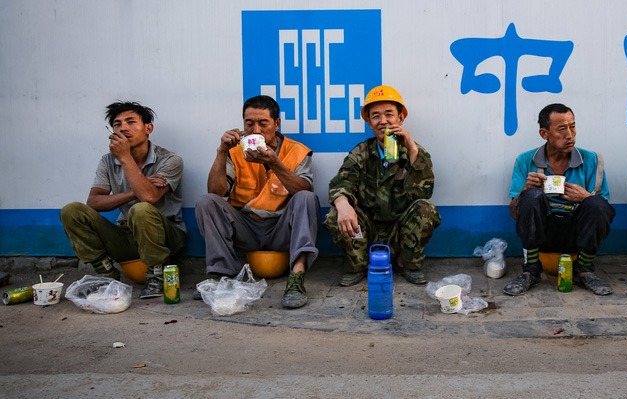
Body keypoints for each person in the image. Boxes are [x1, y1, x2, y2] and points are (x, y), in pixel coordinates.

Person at [195, 95, 320, 309]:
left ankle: (297, 278)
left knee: (307, 197)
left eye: (263, 123)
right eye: (249, 123)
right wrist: (222, 151)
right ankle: (222, 276)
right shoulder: (235, 151)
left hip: (281, 230)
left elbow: (303, 189)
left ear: (277, 123)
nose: (256, 130)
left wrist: (275, 163)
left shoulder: (297, 151)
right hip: (246, 228)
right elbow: (216, 192)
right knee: (207, 202)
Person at [60, 101, 186, 300]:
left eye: (130, 122)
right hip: (127, 236)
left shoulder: (169, 160)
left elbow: (149, 197)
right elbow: (93, 203)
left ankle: (156, 275)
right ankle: (106, 273)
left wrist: (125, 157)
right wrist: (133, 192)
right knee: (72, 211)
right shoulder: (108, 160)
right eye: (117, 124)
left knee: (141, 209)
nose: (123, 128)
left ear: (148, 128)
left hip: (167, 235)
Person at [325, 85, 441, 287]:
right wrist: (342, 204)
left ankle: (407, 264)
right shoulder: (361, 152)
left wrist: (412, 148)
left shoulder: (414, 151)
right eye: (376, 116)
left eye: (389, 114)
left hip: (400, 232)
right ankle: (359, 265)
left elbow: (424, 192)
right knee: (336, 212)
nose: (383, 121)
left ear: (401, 118)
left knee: (426, 209)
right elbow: (341, 182)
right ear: (369, 122)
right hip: (366, 232)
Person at [504, 103, 616, 296]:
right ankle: (531, 270)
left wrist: (585, 197)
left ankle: (584, 269)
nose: (570, 135)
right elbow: (515, 213)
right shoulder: (525, 161)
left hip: (577, 234)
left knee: (597, 203)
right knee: (530, 196)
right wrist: (525, 189)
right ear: (544, 133)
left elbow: (604, 212)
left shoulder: (592, 160)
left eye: (572, 126)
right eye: (561, 129)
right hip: (544, 235)